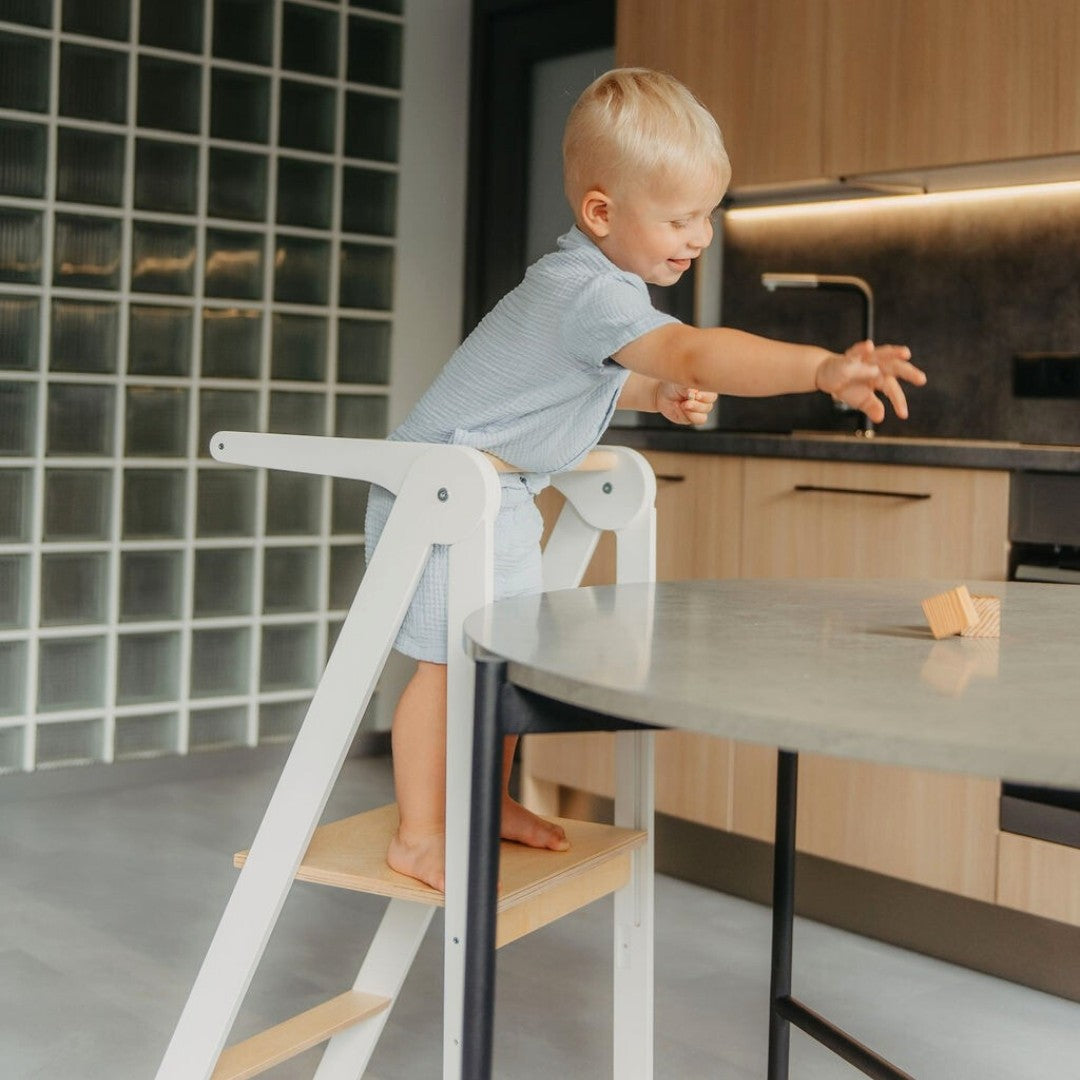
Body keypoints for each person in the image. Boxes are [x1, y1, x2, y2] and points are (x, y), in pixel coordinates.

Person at [364, 68, 926, 891]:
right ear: (601, 213)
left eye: (707, 214)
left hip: (495, 497)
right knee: (447, 667)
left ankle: (485, 803)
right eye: (679, 218)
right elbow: (694, 351)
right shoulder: (586, 291)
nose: (700, 236)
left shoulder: (597, 291)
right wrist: (820, 368)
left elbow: (574, 381)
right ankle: (419, 834)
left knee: (500, 659)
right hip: (438, 495)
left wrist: (651, 394)